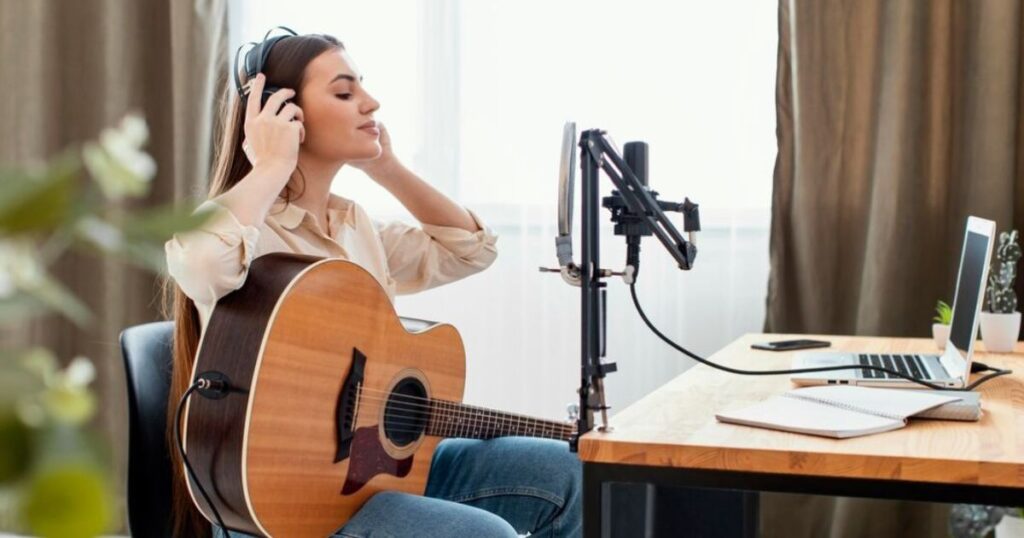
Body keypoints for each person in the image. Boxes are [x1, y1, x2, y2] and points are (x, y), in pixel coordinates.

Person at [162, 32, 581, 537]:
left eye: (363, 87)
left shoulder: (355, 226)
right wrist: (271, 165)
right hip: (286, 504)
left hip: (366, 480)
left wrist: (386, 166)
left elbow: (470, 249)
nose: (371, 102)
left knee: (569, 472)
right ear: (284, 115)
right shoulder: (244, 226)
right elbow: (200, 263)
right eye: (344, 93)